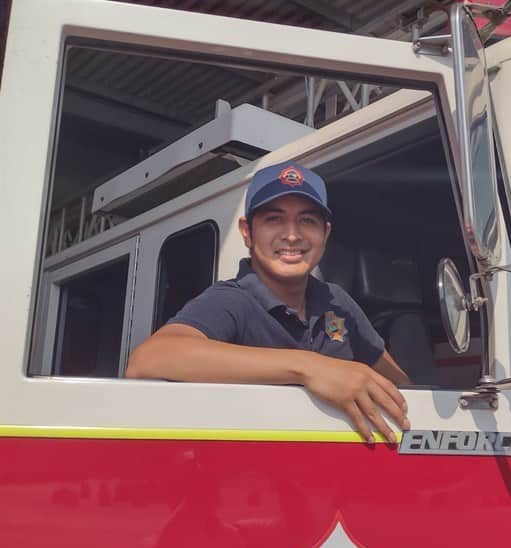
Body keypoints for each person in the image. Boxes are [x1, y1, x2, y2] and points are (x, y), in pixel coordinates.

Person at [126, 161, 410, 444]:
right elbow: (148, 359)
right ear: (247, 231)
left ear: (326, 233)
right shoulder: (233, 300)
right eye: (274, 219)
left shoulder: (337, 303)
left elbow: (401, 386)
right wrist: (309, 367)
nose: (292, 235)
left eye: (307, 221)